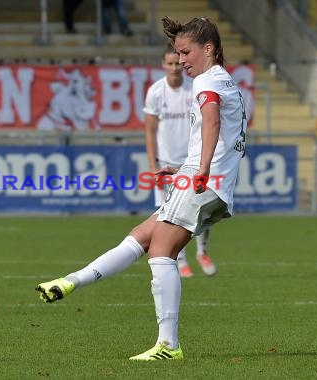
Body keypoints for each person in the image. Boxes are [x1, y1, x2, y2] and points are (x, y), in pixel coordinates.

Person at [37, 16, 247, 361]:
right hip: (205, 179)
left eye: (186, 52)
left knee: (160, 251)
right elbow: (226, 136)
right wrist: (184, 168)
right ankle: (70, 281)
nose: (181, 60)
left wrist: (202, 168)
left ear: (207, 49)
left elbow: (212, 121)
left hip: (203, 179)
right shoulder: (225, 82)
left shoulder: (207, 82)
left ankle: (168, 345)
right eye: (177, 53)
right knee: (142, 235)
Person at [144, 44, 217, 278]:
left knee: (202, 210)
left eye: (178, 62)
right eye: (170, 63)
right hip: (166, 163)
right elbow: (149, 131)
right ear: (163, 65)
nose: (175, 67)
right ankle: (182, 261)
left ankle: (202, 252)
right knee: (170, 215)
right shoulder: (156, 92)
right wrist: (153, 164)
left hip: (191, 162)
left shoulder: (194, 88)